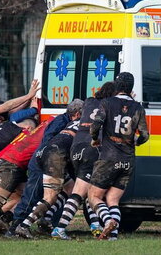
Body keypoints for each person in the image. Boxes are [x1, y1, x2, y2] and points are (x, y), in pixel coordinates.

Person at [5, 98, 84, 237]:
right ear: (77, 114)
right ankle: (15, 228)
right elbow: (48, 140)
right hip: (43, 161)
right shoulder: (61, 121)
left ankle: (48, 223)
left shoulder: (65, 121)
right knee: (32, 195)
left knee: (65, 189)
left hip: (53, 161)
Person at [87, 72, 149, 240]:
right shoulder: (138, 107)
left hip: (108, 157)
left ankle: (108, 222)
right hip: (128, 160)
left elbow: (95, 126)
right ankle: (112, 236)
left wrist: (94, 139)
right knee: (113, 200)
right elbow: (145, 135)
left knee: (94, 196)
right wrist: (135, 142)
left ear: (117, 86)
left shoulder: (107, 103)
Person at [51, 81, 116, 240]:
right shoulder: (109, 106)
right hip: (91, 148)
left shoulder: (88, 101)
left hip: (76, 147)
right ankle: (60, 229)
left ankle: (98, 224)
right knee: (81, 193)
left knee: (88, 191)